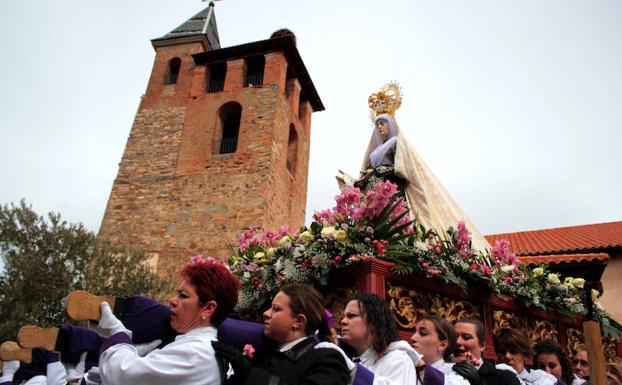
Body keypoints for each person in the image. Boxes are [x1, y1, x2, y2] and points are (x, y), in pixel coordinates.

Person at [96, 256, 240, 385]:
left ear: (208, 308)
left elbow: (122, 376)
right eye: (177, 293)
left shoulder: (195, 354)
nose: (172, 300)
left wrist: (116, 332)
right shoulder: (193, 347)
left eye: (183, 296)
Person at [212, 283, 351, 385]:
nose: (266, 314)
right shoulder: (267, 354)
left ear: (298, 321)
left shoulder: (326, 358)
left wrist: (250, 374)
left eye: (276, 309)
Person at [339, 292, 419, 385]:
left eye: (351, 316)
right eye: (343, 316)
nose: (343, 321)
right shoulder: (348, 360)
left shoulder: (398, 359)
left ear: (373, 321)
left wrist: (355, 372)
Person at [454, 318, 521, 385]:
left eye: (466, 337)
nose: (457, 342)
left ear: (482, 346)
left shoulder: (503, 378)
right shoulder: (445, 373)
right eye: (454, 337)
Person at [410, 315, 473, 385]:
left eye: (423, 333)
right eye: (414, 332)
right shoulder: (407, 367)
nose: (412, 338)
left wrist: (421, 366)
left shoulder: (454, 371)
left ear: (443, 345)